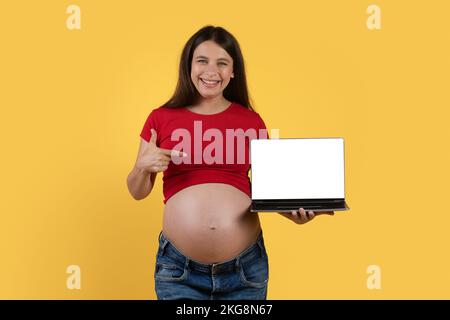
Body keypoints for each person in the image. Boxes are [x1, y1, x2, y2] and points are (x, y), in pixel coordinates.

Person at [126, 25, 334, 300]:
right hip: (179, 271)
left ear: (233, 71)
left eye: (222, 63)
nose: (211, 71)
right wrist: (143, 166)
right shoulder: (160, 118)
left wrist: (296, 213)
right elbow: (137, 192)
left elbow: (269, 193)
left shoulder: (251, 121)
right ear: (188, 66)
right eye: (202, 61)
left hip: (244, 270)